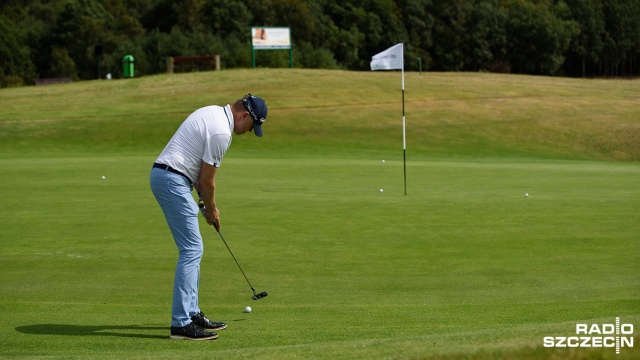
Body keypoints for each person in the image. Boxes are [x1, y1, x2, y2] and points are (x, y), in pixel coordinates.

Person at [150, 94, 268, 340]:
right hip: (173, 179)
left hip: (172, 177)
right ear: (244, 116)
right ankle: (181, 324)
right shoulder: (221, 133)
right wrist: (212, 209)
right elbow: (207, 181)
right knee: (192, 249)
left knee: (193, 248)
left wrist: (205, 207)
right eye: (251, 126)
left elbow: (200, 179)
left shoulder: (213, 112)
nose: (248, 132)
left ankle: (192, 313)